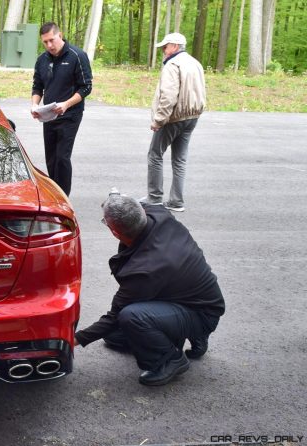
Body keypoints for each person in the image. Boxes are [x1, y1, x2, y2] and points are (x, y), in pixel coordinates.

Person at [74, 189, 225, 386]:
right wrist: (118, 198)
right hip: (193, 295)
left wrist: (73, 340)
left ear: (114, 232)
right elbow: (133, 206)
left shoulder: (145, 269)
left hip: (202, 312)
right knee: (113, 337)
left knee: (130, 317)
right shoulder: (158, 213)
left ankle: (170, 360)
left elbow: (115, 316)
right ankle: (184, 334)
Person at [142, 32, 206, 212]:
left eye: (166, 46)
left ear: (175, 47)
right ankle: (177, 201)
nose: (164, 49)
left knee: (155, 154)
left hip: (173, 118)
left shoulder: (172, 64)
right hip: (192, 117)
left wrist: (158, 120)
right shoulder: (195, 63)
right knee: (180, 159)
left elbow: (168, 97)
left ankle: (154, 199)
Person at [31, 22, 93, 196]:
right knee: (51, 159)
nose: (49, 45)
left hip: (70, 114)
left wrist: (66, 104)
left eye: (52, 40)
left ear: (60, 35)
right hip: (49, 115)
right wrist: (35, 105)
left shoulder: (77, 56)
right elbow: (37, 87)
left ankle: (63, 198)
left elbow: (86, 87)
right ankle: (55, 194)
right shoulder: (42, 60)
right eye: (45, 42)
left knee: (62, 158)